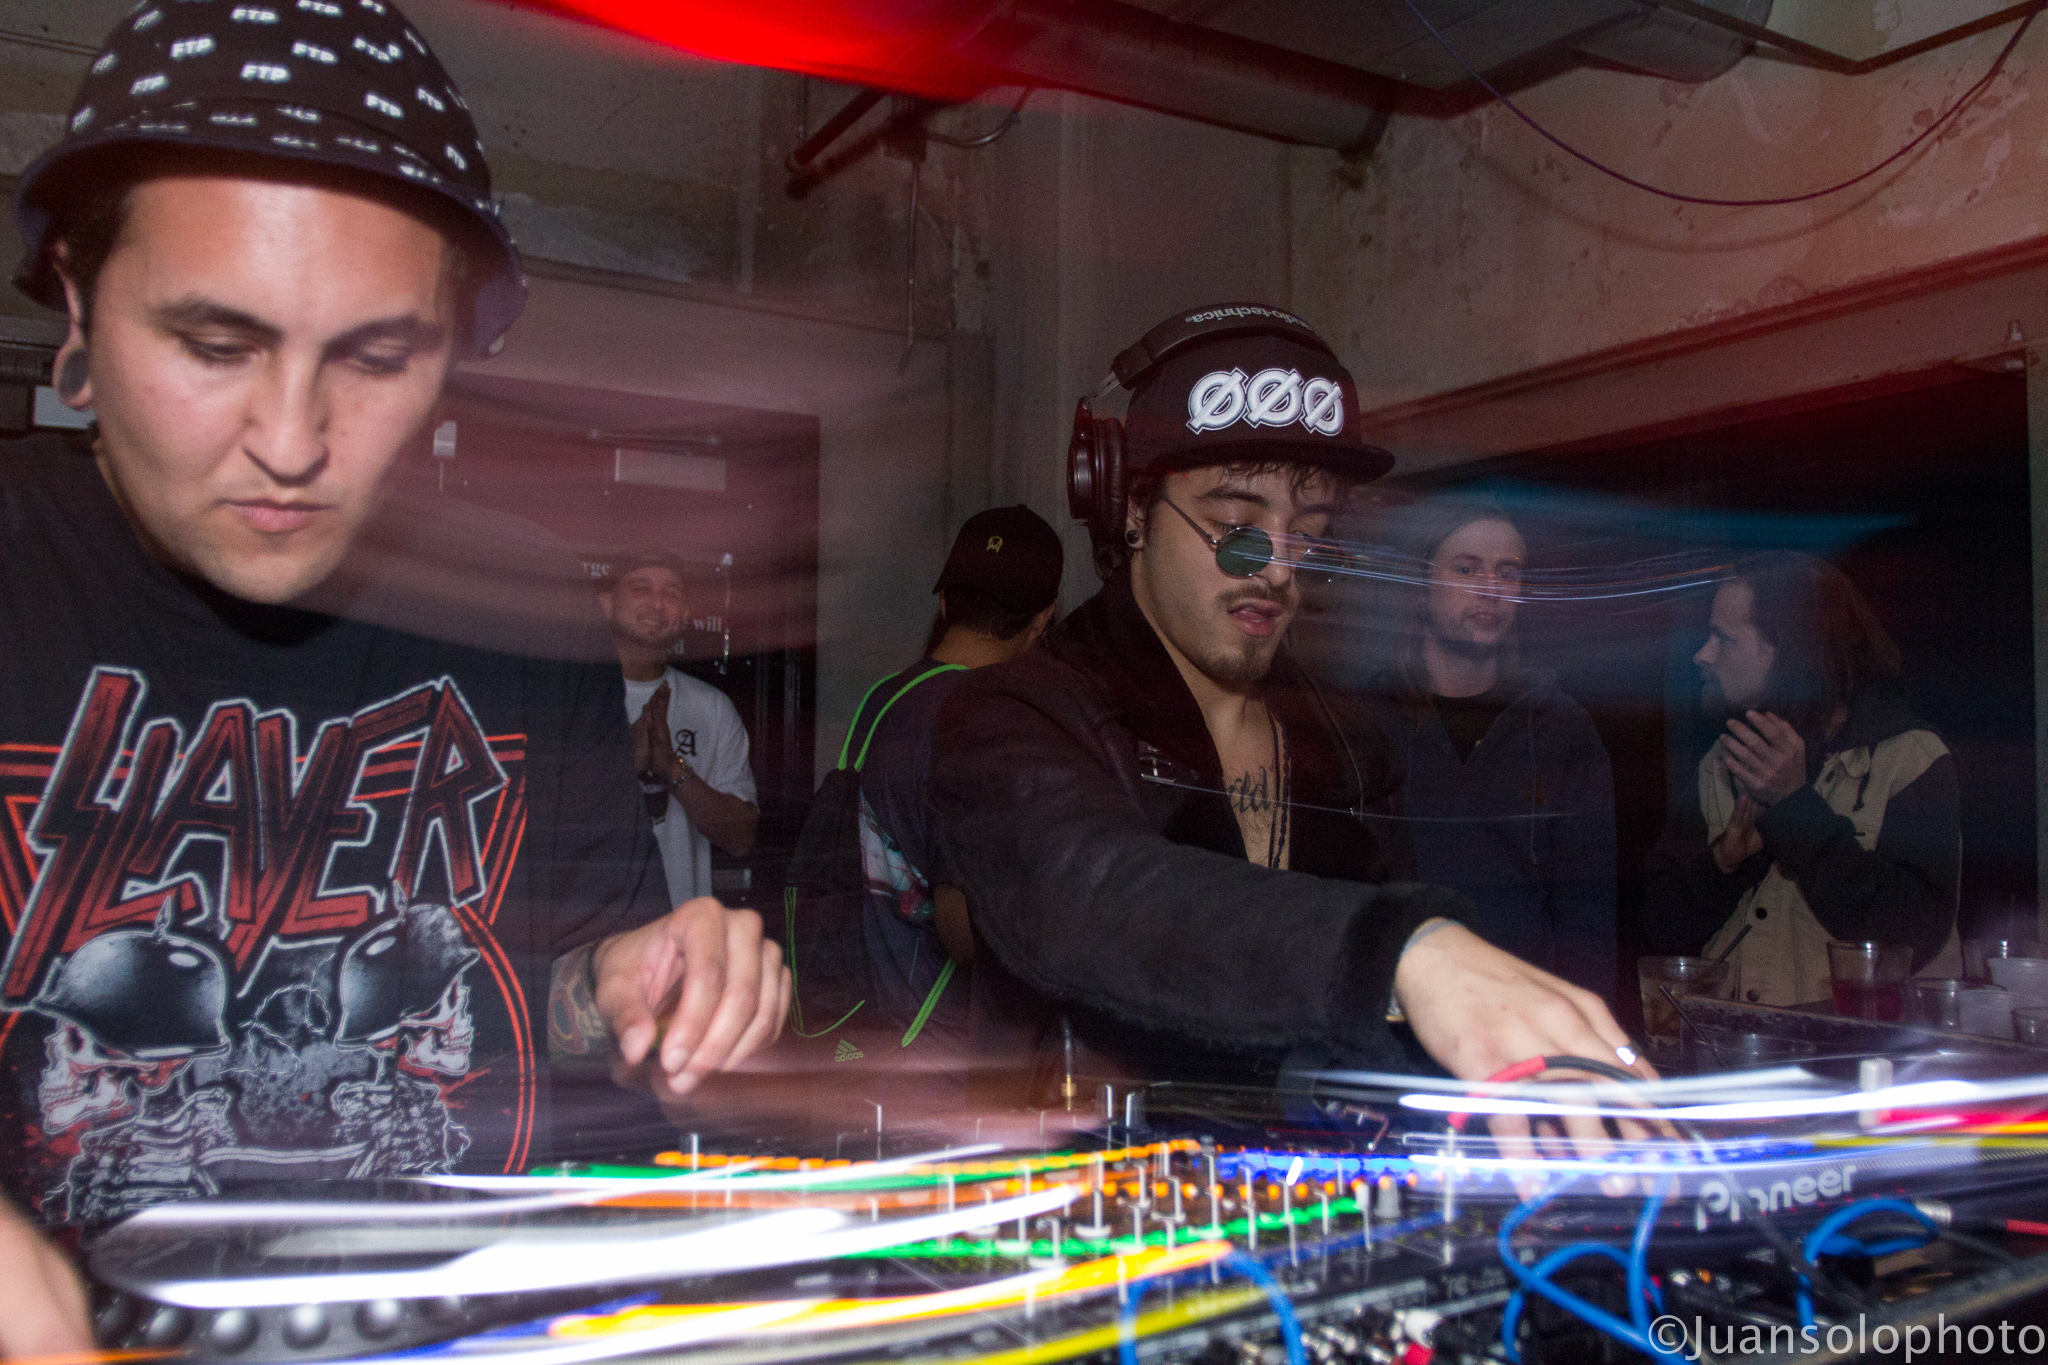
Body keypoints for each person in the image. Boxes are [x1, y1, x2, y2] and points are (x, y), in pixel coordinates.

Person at [0, 3, 785, 1348]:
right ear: (77, 299)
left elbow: (546, 997)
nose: (292, 441)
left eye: (374, 359)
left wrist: (638, 985)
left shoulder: (518, 599)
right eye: (215, 345)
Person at [927, 304, 1648, 1111]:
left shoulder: (1350, 745)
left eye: (1308, 533)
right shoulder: (1017, 713)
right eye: (1236, 526)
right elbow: (1096, 898)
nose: (1276, 570)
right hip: (1089, 1179)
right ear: (1130, 511)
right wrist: (1397, 951)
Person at [1643, 552, 1962, 1005]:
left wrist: (1796, 810)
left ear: (1793, 655)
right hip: (1742, 1039)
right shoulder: (1722, 762)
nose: (1702, 655)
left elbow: (1914, 936)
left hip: (1857, 1045)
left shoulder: (1909, 758)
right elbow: (1660, 925)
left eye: (1723, 639)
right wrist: (1724, 864)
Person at [1358, 500, 1617, 1001]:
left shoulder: (1560, 728)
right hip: (1393, 1017)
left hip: (1520, 1017)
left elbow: (1590, 917)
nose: (1490, 589)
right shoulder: (1365, 719)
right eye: (1466, 569)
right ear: (1421, 586)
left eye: (1507, 572)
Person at [850, 506, 1062, 1047]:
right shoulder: (984, 719)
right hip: (942, 1047)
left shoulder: (881, 699)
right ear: (1043, 620)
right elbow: (964, 933)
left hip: (865, 1027)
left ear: (944, 602)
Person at [597, 552, 760, 905]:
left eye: (671, 593)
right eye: (640, 588)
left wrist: (673, 769)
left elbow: (741, 837)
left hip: (681, 928)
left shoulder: (712, 707)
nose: (657, 604)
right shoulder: (575, 699)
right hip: (595, 927)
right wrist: (624, 762)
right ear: (606, 604)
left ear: (685, 614)